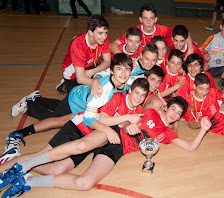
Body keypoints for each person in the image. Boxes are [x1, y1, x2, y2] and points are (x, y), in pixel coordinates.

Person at [0, 97, 212, 196]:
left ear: (179, 117)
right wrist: (128, 124)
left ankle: (27, 179)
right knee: (81, 144)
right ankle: (11, 167)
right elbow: (128, 113)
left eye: (178, 113)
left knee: (83, 182)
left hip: (116, 149)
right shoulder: (150, 112)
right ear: (166, 107)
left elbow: (190, 147)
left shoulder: (168, 133)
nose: (173, 114)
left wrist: (202, 129)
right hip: (109, 133)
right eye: (172, 108)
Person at [1, 53, 133, 164]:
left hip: (85, 100)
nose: (123, 73)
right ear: (112, 70)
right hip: (77, 100)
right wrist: (107, 130)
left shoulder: (125, 82)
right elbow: (88, 119)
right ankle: (20, 128)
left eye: (127, 69)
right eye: (119, 69)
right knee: (59, 121)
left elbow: (107, 74)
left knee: (60, 111)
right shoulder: (103, 90)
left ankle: (37, 98)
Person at [11, 15, 111, 120]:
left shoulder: (102, 39)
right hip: (73, 76)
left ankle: (37, 98)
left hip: (87, 70)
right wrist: (97, 84)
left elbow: (107, 61)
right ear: (90, 32)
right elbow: (80, 78)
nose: (104, 37)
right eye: (100, 33)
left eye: (106, 33)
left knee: (77, 106)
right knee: (60, 116)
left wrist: (91, 73)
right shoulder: (78, 44)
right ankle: (29, 103)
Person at [109, 3, 194, 56]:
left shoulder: (162, 30)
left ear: (156, 19)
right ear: (140, 19)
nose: (148, 22)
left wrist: (190, 49)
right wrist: (123, 58)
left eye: (151, 18)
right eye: (145, 18)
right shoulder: (136, 32)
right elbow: (112, 45)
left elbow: (184, 32)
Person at [200, 16, 224, 89]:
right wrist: (205, 53)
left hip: (221, 68)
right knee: (203, 84)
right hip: (209, 67)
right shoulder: (213, 38)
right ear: (221, 27)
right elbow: (201, 49)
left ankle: (222, 83)